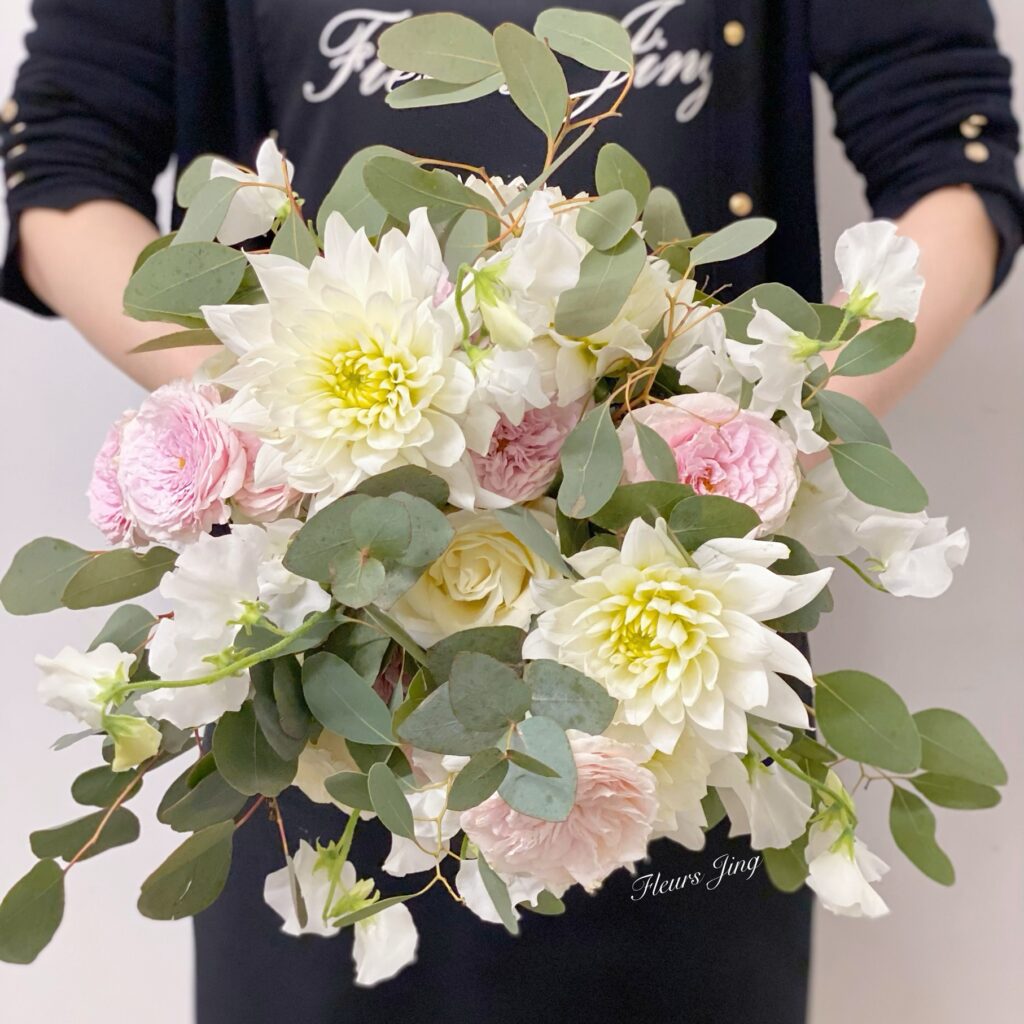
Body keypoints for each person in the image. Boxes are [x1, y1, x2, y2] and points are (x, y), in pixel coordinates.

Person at [2, 2, 1021, 1021]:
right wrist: (276, 426)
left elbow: (952, 157)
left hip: (675, 646)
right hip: (329, 651)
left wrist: (760, 436)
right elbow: (60, 173)